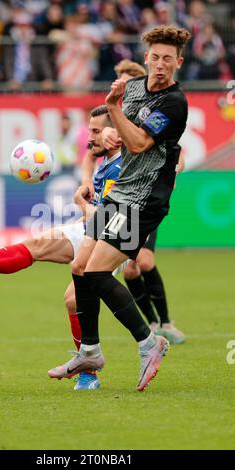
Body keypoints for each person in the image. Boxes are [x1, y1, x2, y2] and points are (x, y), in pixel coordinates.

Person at [48, 25, 191, 392]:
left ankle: (149, 343)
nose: (161, 65)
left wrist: (113, 109)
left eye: (168, 59)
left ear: (179, 62)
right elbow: (121, 136)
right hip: (118, 193)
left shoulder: (174, 102)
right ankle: (91, 351)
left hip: (143, 199)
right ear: (146, 59)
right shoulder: (135, 90)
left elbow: (141, 142)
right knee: (80, 268)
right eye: (155, 57)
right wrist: (109, 132)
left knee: (96, 274)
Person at [0, 105, 122, 390]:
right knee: (38, 243)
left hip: (113, 238)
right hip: (89, 229)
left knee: (73, 301)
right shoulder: (103, 156)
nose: (89, 136)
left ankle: (90, 371)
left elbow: (105, 218)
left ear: (115, 133)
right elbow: (90, 158)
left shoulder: (125, 165)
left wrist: (82, 202)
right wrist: (87, 181)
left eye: (95, 131)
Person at [114, 59, 186, 345]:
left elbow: (174, 149)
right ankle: (153, 323)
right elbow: (93, 154)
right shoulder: (115, 118)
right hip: (121, 198)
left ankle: (167, 321)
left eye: (128, 79)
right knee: (130, 269)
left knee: (143, 260)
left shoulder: (158, 108)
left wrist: (174, 166)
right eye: (119, 78)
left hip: (145, 197)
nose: (124, 84)